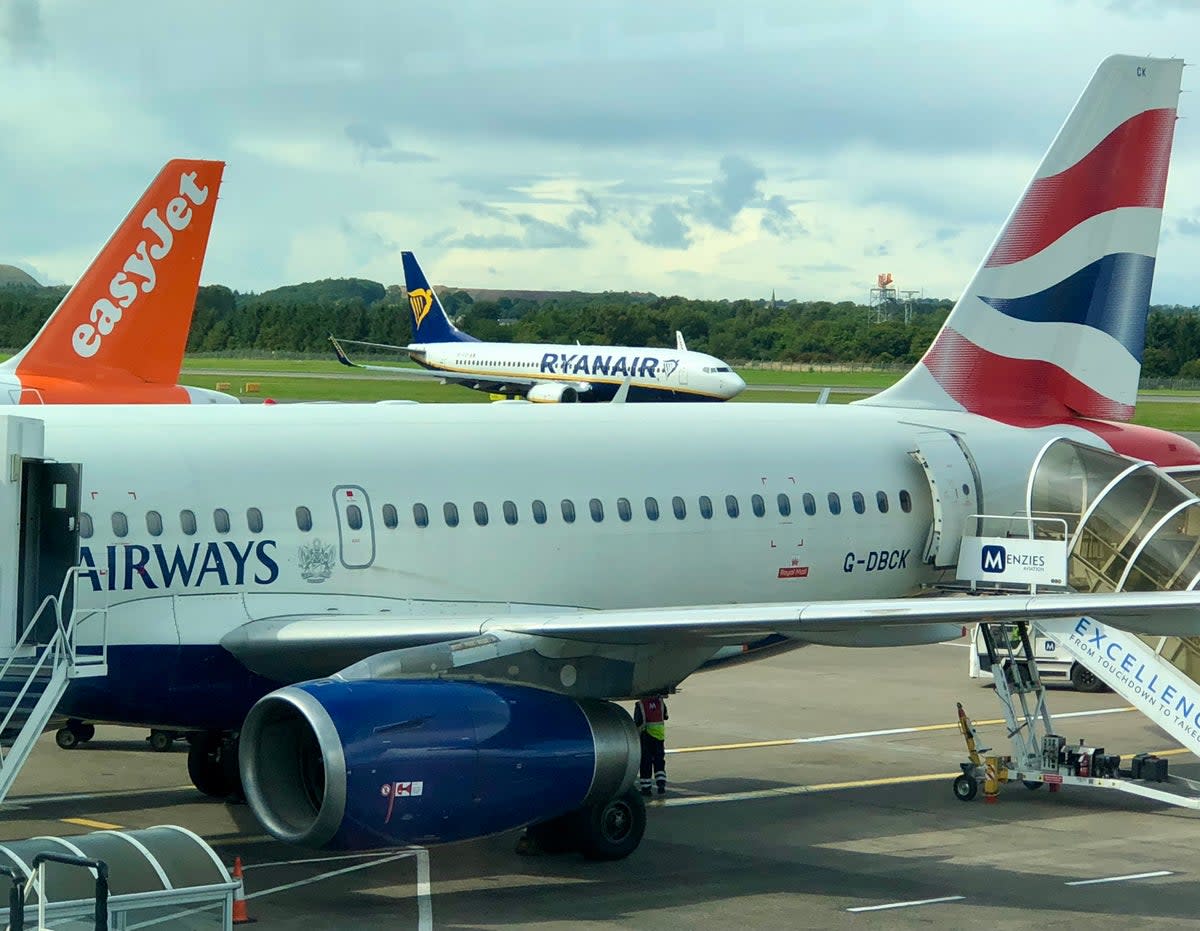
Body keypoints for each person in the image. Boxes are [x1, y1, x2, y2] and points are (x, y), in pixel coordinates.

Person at [634, 694, 668, 796]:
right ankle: (661, 785)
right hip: (659, 737)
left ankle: (646, 788)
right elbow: (665, 716)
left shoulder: (640, 704)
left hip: (646, 736)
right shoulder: (660, 703)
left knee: (646, 763)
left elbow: (637, 722)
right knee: (659, 761)